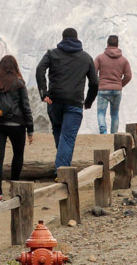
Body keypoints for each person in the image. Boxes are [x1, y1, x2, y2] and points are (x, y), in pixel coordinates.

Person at [35, 27, 98, 169]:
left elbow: (40, 69)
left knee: (58, 131)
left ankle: (61, 165)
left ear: (62, 39)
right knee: (68, 137)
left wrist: (43, 93)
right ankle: (62, 171)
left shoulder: (52, 54)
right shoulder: (86, 58)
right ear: (77, 39)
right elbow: (94, 83)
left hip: (54, 100)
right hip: (75, 102)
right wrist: (88, 102)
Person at [0, 55, 34, 202]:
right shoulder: (19, 83)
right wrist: (30, 128)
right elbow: (25, 106)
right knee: (18, 154)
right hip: (16, 124)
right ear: (15, 67)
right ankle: (14, 185)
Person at [94, 35, 132, 134]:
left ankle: (103, 131)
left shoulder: (100, 58)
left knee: (101, 112)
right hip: (117, 90)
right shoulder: (124, 60)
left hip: (103, 89)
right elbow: (128, 76)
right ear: (118, 45)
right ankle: (114, 134)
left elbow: (93, 72)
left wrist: (100, 83)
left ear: (107, 44)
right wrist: (120, 84)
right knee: (114, 114)